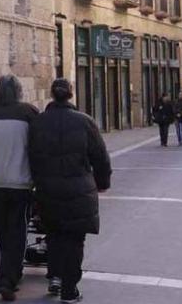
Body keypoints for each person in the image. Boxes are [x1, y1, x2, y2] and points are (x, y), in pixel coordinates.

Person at [29, 78, 112, 303]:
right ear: (71, 94)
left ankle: (55, 277)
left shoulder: (38, 123)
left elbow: (31, 158)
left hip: (48, 190)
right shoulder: (85, 122)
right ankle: (69, 289)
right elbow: (101, 158)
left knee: (54, 235)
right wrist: (102, 183)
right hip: (79, 191)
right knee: (75, 241)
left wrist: (37, 182)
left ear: (52, 94)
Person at [0, 75, 40, 302]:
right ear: (19, 91)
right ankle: (7, 279)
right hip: (21, 182)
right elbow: (37, 144)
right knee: (18, 231)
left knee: (3, 230)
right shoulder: (28, 113)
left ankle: (10, 271)